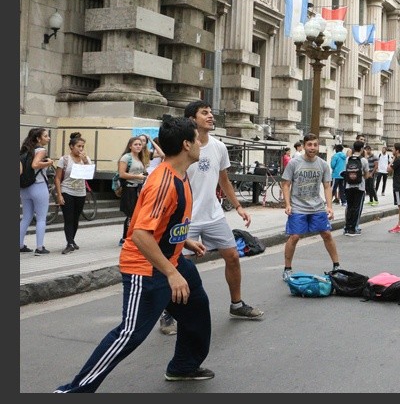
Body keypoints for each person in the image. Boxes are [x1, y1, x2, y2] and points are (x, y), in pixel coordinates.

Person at [54, 116, 215, 392]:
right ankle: (74, 391)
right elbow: (140, 235)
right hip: (147, 269)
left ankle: (183, 366)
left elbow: (158, 222)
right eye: (197, 138)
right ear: (187, 145)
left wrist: (183, 240)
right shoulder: (164, 182)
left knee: (197, 310)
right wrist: (172, 272)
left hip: (171, 260)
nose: (201, 142)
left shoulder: (180, 173)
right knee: (129, 334)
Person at [158, 101, 263, 336]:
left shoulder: (219, 147)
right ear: (191, 119)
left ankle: (236, 305)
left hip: (213, 214)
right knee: (178, 265)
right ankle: (169, 312)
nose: (211, 116)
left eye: (211, 112)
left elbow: (223, 180)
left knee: (233, 256)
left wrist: (238, 206)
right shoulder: (181, 147)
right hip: (187, 218)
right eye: (204, 113)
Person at [280, 133, 340, 279]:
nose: (312, 148)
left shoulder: (323, 164)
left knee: (326, 234)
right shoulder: (294, 163)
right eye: (309, 145)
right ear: (304, 145)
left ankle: (337, 266)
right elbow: (285, 184)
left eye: (315, 145)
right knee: (294, 237)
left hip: (317, 207)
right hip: (298, 206)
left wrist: (330, 206)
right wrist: (287, 204)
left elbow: (327, 186)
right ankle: (287, 268)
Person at [54, 132, 93, 254]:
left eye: (82, 146)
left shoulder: (86, 159)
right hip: (67, 190)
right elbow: (57, 178)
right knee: (68, 218)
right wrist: (59, 195)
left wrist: (85, 161)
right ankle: (69, 243)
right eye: (78, 146)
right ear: (72, 146)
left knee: (76, 218)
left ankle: (72, 240)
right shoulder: (64, 159)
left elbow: (89, 175)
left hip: (80, 192)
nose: (81, 149)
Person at [19, 127, 55, 255]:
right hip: (38, 186)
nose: (48, 138)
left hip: (24, 188)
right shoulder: (41, 150)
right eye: (45, 136)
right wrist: (49, 163)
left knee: (26, 217)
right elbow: (35, 165)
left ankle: (20, 245)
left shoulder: (24, 152)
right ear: (38, 139)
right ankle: (40, 248)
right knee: (41, 218)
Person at [117, 136, 148, 247]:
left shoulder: (140, 158)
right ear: (130, 146)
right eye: (136, 144)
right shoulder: (126, 157)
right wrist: (138, 177)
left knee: (137, 214)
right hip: (129, 188)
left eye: (140, 144)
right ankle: (125, 238)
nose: (138, 146)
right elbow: (122, 174)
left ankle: (132, 237)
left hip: (138, 189)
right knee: (131, 214)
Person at [343, 140, 369, 236]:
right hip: (359, 187)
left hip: (348, 186)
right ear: (362, 149)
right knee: (356, 208)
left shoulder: (347, 159)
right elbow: (367, 175)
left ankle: (347, 227)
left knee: (349, 207)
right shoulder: (363, 160)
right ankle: (353, 229)